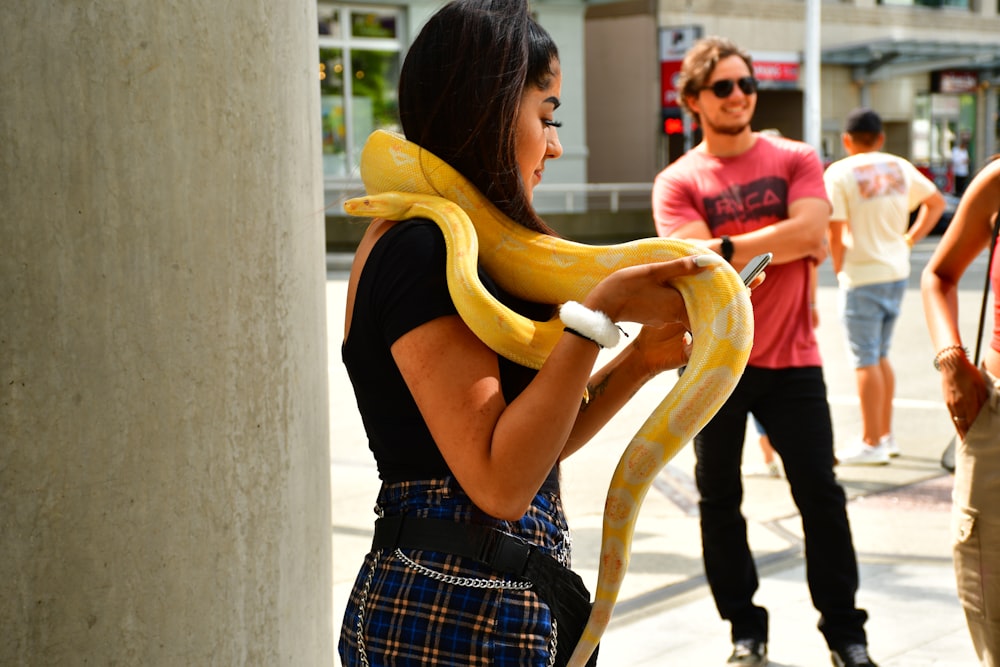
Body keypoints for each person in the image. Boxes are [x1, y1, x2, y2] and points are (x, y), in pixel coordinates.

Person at [338, 1, 712, 665]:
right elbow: (499, 484)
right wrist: (595, 318)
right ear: (484, 108)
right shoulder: (423, 248)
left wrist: (642, 360)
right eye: (547, 115)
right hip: (451, 610)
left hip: (476, 596)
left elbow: (531, 450)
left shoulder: (459, 248)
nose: (556, 144)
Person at [652, 36, 878, 667]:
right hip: (714, 368)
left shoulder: (795, 155)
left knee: (821, 497)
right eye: (723, 87)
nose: (739, 96)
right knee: (719, 500)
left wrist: (726, 244)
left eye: (747, 84)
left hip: (793, 362)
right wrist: (767, 243)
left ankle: (846, 635)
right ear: (694, 99)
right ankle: (744, 632)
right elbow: (695, 266)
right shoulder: (677, 180)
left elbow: (813, 230)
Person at [823, 108, 945, 465]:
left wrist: (839, 267)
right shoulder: (898, 166)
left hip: (862, 274)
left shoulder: (840, 172)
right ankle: (886, 436)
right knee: (879, 356)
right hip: (895, 271)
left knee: (865, 360)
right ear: (880, 138)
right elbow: (935, 203)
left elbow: (836, 228)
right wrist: (909, 238)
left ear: (847, 140)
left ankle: (871, 440)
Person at [921, 157, 1000, 666]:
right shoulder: (997, 181)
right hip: (994, 416)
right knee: (988, 591)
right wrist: (952, 363)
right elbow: (938, 276)